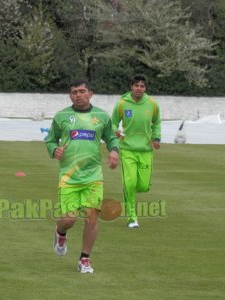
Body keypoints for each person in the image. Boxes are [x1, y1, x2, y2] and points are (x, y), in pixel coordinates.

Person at [45, 79, 119, 273]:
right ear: (70, 95)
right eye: (74, 92)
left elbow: (111, 137)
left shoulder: (101, 116)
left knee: (91, 219)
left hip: (93, 177)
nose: (78, 95)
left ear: (90, 93)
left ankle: (84, 260)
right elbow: (50, 139)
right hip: (69, 177)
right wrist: (54, 150)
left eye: (82, 91)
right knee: (69, 220)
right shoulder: (62, 116)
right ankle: (60, 232)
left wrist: (114, 151)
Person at [111, 74, 161, 228]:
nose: (139, 88)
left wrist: (156, 138)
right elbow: (112, 123)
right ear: (131, 87)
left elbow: (157, 123)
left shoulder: (152, 104)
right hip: (127, 150)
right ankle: (132, 218)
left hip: (146, 150)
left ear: (145, 88)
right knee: (129, 183)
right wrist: (115, 131)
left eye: (142, 86)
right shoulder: (122, 104)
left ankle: (131, 190)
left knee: (143, 186)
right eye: (136, 85)